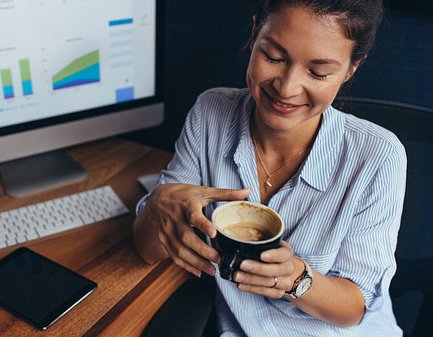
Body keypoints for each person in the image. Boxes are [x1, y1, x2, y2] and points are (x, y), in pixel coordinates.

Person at [134, 0, 407, 335]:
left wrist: (295, 279)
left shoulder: (379, 155)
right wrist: (158, 203)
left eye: (318, 72)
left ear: (352, 68)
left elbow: (355, 309)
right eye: (273, 57)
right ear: (254, 33)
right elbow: (149, 249)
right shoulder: (210, 114)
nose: (286, 88)